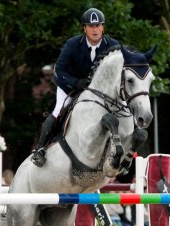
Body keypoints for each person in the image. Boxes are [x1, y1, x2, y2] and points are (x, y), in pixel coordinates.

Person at [31, 8, 119, 167]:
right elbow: (59, 70)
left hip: (99, 92)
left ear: (103, 27)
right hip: (70, 87)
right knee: (59, 110)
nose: (95, 29)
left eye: (98, 25)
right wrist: (75, 82)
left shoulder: (113, 45)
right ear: (84, 28)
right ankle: (40, 148)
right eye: (90, 26)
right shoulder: (72, 44)